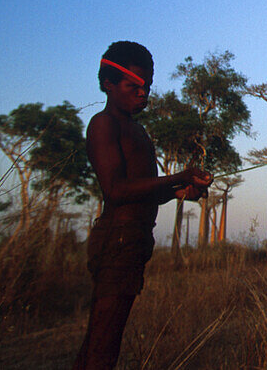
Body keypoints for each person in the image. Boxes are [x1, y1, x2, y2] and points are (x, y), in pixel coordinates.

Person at [73, 41, 212, 370]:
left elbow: (142, 192)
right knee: (103, 341)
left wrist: (181, 191)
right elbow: (116, 190)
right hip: (118, 238)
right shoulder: (103, 124)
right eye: (132, 86)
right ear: (108, 84)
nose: (142, 93)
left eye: (146, 86)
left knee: (106, 337)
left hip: (135, 239)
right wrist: (176, 177)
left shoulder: (138, 131)